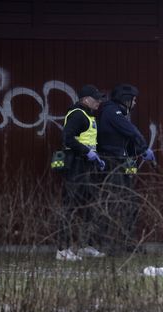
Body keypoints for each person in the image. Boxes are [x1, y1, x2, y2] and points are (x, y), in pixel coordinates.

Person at [96, 83, 155, 253]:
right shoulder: (112, 112)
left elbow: (124, 140)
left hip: (120, 161)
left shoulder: (117, 113)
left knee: (129, 203)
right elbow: (131, 131)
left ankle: (128, 242)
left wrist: (137, 151)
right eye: (133, 100)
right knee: (116, 203)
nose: (135, 103)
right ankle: (111, 244)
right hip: (113, 163)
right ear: (125, 99)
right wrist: (144, 148)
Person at [57, 84, 106, 261]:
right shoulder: (78, 114)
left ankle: (87, 245)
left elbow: (88, 140)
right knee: (69, 207)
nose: (99, 102)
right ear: (85, 99)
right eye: (96, 98)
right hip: (76, 166)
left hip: (87, 166)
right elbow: (67, 138)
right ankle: (62, 250)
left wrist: (96, 157)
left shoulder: (89, 115)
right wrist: (87, 152)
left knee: (89, 208)